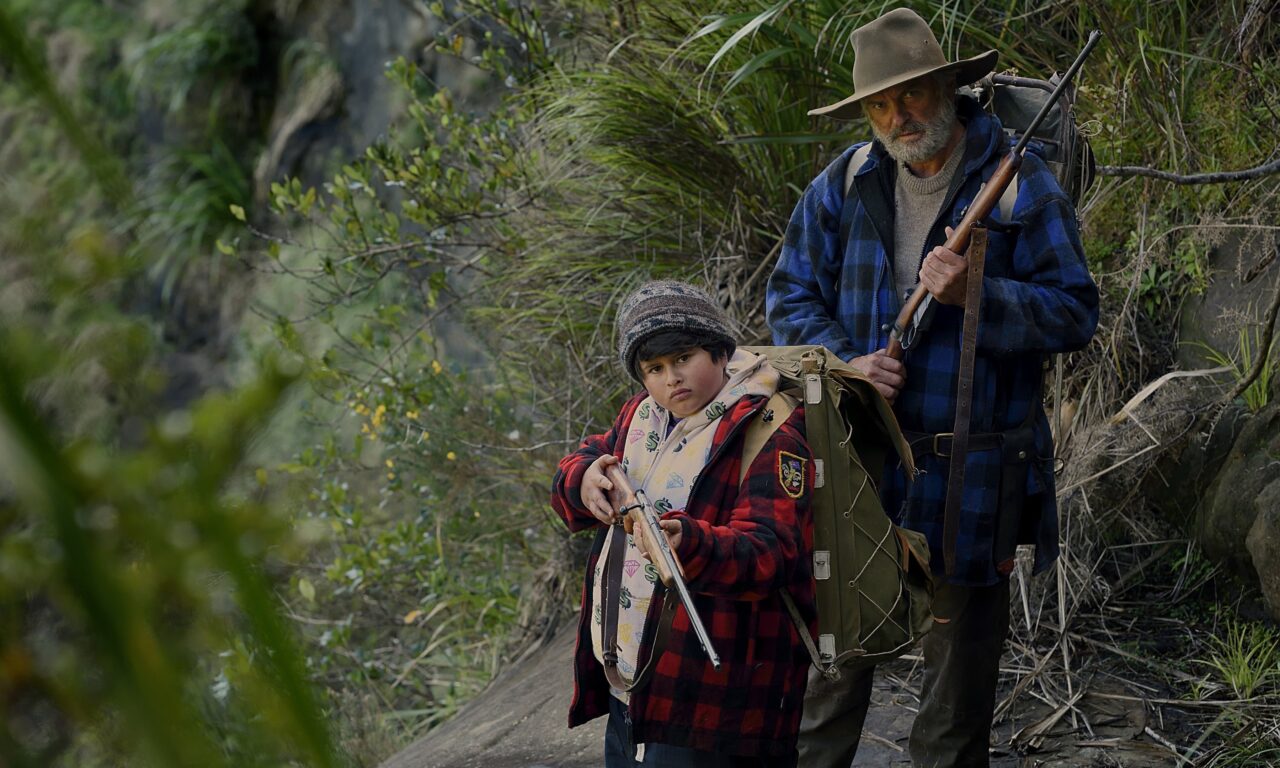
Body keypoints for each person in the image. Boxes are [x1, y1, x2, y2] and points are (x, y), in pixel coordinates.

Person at [765, 8, 1100, 768]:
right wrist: (847, 362)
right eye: (880, 104)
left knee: (952, 715)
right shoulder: (845, 182)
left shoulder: (1020, 182)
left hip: (974, 478)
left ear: (948, 84)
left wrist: (976, 292)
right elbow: (788, 297)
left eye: (911, 93)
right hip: (861, 472)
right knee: (827, 686)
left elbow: (1077, 312)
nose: (897, 116)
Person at [550, 279, 816, 767]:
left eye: (684, 358)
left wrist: (690, 543)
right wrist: (584, 479)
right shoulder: (642, 416)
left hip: (716, 701)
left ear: (718, 351)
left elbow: (773, 551)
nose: (672, 378)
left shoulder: (769, 429)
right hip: (632, 680)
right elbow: (588, 456)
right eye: (654, 369)